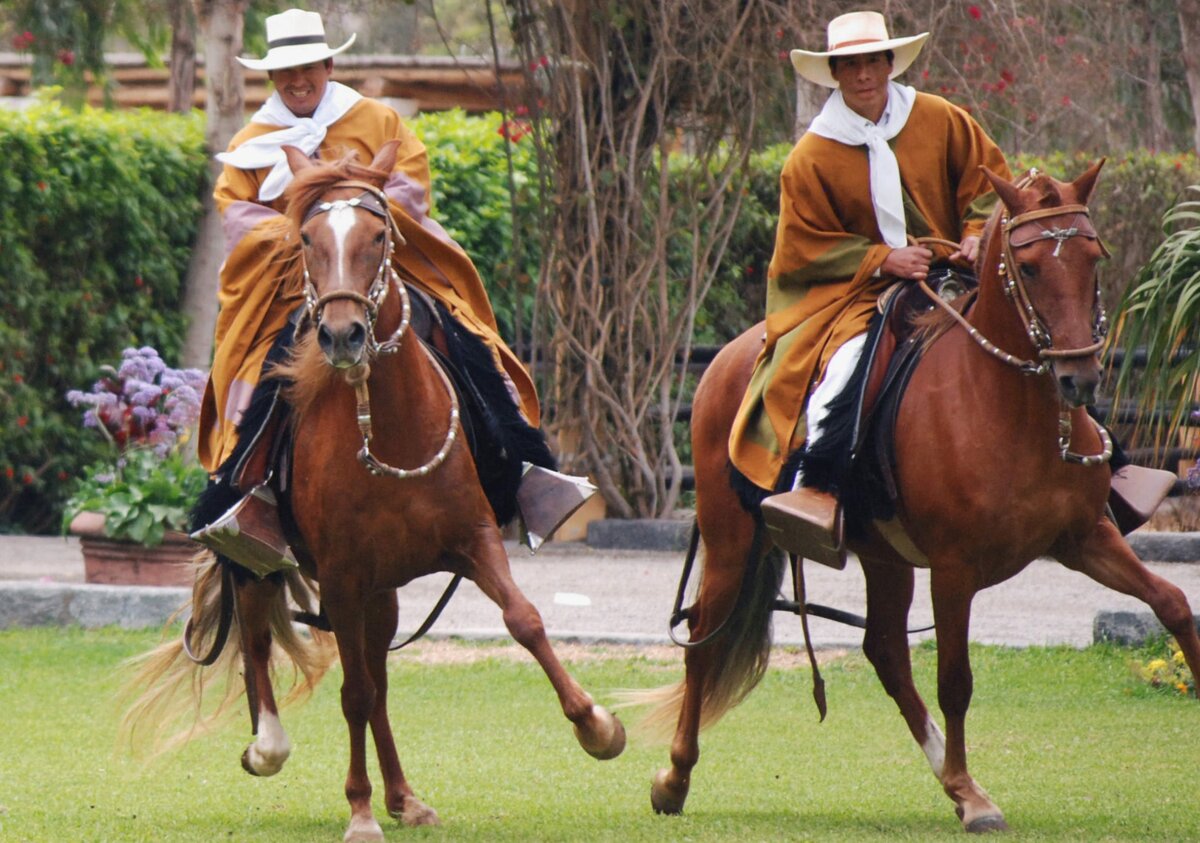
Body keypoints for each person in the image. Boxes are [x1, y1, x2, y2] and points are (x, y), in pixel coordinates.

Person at [192, 9, 591, 571]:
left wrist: (353, 216)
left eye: (307, 67)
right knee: (262, 371)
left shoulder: (376, 119)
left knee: (465, 339)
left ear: (328, 65)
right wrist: (302, 232)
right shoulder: (250, 141)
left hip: (382, 270)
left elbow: (411, 186)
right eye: (285, 72)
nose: (297, 80)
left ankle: (524, 469)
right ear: (272, 78)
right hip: (294, 282)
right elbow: (235, 213)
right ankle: (243, 502)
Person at [727, 11, 1011, 562]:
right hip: (857, 293)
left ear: (889, 63)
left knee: (1042, 331)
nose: (863, 75)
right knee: (846, 365)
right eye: (850, 65)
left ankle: (1102, 466)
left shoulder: (939, 117)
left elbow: (989, 181)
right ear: (835, 73)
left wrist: (978, 231)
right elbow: (801, 248)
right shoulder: (810, 156)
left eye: (872, 61)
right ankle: (818, 487)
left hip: (956, 270)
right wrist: (883, 259)